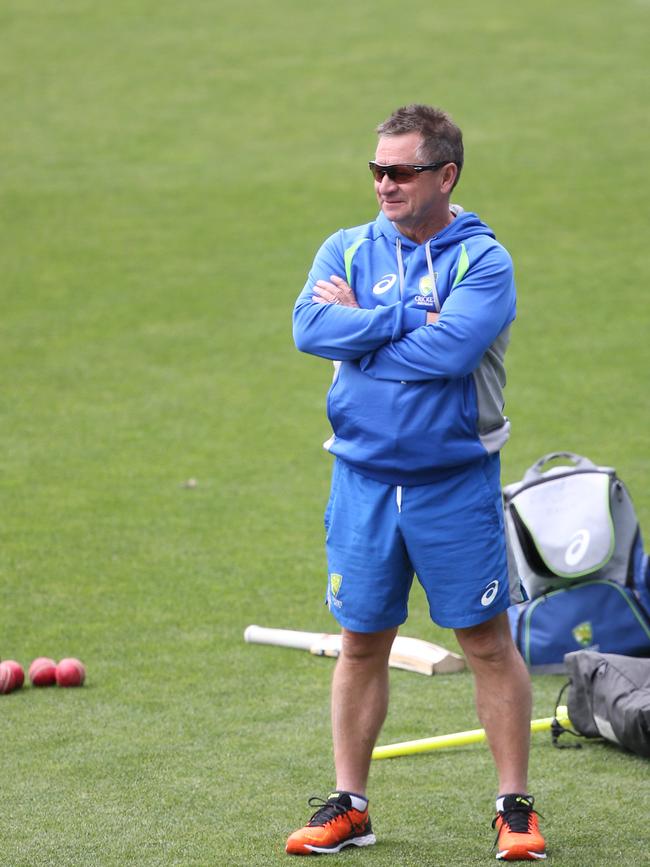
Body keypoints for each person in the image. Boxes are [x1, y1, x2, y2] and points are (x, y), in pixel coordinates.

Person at [286, 104, 546, 862]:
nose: (384, 184)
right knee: (361, 641)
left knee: (487, 643)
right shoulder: (346, 246)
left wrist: (363, 325)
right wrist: (402, 315)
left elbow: (449, 354)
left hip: (453, 484)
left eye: (400, 171)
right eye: (376, 170)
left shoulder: (482, 261)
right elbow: (308, 329)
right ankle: (351, 805)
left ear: (446, 176)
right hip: (362, 481)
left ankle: (514, 807)